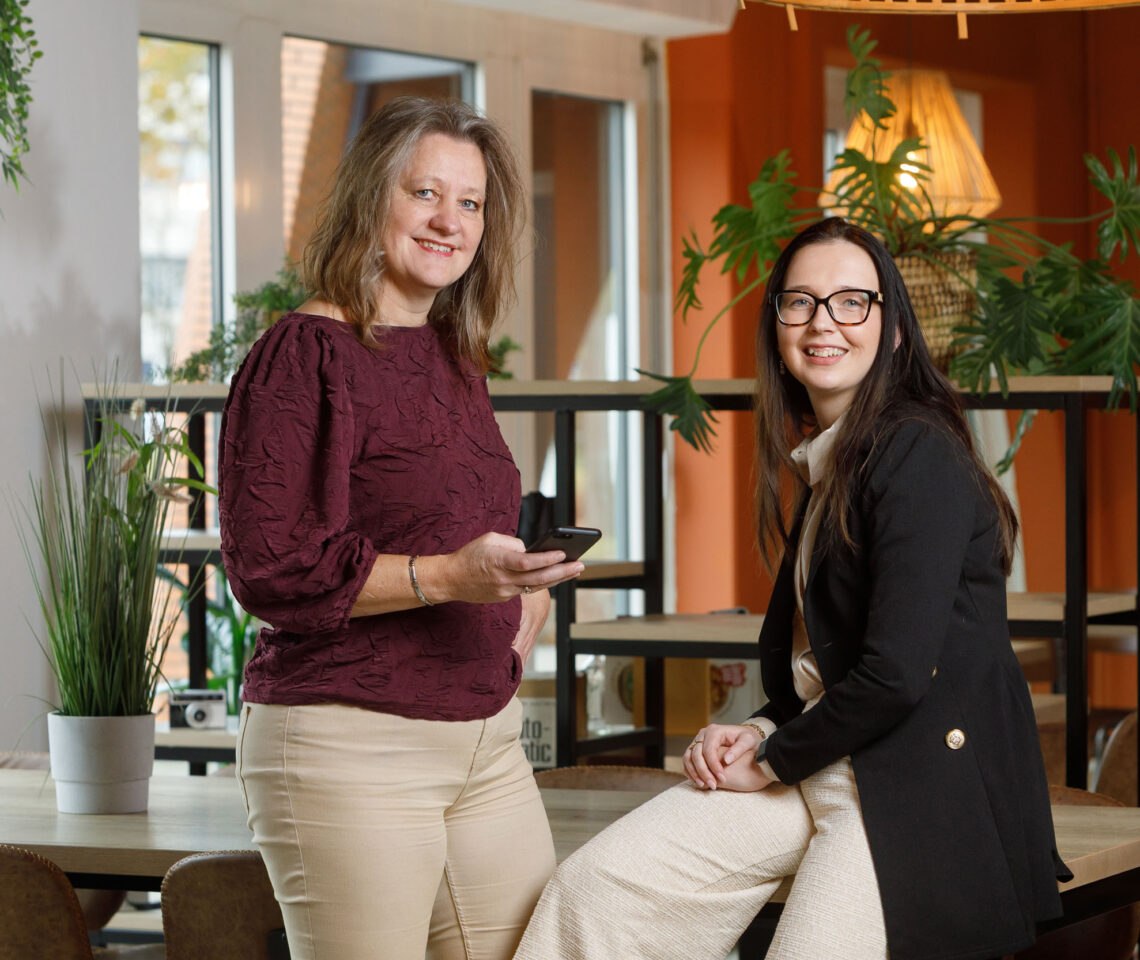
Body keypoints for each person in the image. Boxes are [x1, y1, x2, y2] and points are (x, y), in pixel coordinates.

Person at [513, 217, 1070, 960]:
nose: (822, 322)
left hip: (910, 784)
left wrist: (772, 757)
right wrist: (760, 728)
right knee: (596, 890)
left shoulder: (916, 451)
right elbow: (830, 664)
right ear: (777, 325)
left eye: (851, 302)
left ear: (893, 330)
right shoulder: (831, 461)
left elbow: (896, 674)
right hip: (822, 757)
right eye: (800, 302)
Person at [218, 96, 585, 960]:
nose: (448, 221)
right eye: (425, 193)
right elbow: (271, 566)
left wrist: (521, 607)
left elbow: (462, 527)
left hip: (485, 739)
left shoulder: (454, 357)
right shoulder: (302, 354)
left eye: (470, 202)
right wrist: (453, 578)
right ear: (369, 198)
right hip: (351, 743)